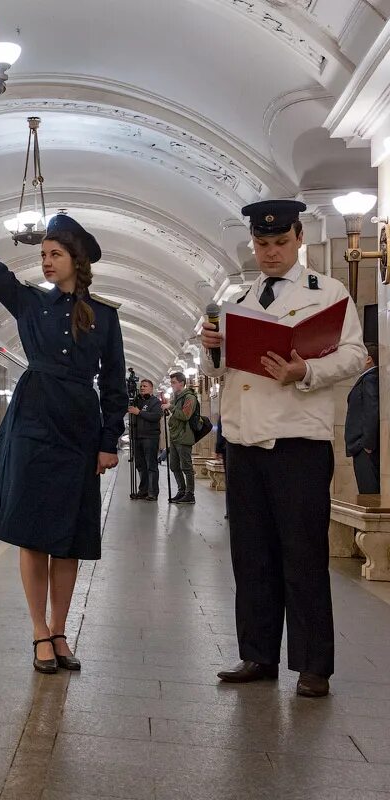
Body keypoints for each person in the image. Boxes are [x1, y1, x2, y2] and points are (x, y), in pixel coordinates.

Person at [0, 170, 126, 675]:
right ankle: (39, 631)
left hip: (79, 430)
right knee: (35, 534)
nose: (45, 260)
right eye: (43, 254)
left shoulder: (105, 317)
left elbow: (116, 387)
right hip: (34, 423)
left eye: (54, 253)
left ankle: (61, 631)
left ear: (75, 261)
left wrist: (109, 442)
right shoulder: (28, 303)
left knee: (69, 541)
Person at [201, 199, 366, 698]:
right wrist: (212, 349)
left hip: (298, 442)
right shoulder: (241, 300)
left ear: (299, 239)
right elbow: (219, 374)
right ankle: (258, 654)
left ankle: (314, 665)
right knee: (251, 555)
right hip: (246, 442)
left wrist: (306, 371)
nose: (270, 252)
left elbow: (356, 355)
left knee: (302, 555)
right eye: (262, 243)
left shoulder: (328, 292)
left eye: (279, 242)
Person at [344, 344, 380, 496]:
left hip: (364, 448)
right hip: (362, 446)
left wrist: (367, 444)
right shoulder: (368, 379)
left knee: (369, 494)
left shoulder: (370, 379)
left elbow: (372, 410)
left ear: (368, 359)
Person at [163, 372, 199, 505]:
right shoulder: (176, 397)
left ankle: (190, 494)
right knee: (174, 466)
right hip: (175, 436)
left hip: (184, 436)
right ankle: (181, 491)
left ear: (181, 383)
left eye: (173, 382)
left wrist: (171, 407)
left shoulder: (189, 397)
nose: (171, 385)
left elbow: (185, 416)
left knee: (186, 466)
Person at [127, 379, 162, 501]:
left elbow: (156, 416)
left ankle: (153, 492)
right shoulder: (137, 401)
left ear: (151, 388)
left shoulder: (155, 402)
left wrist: (139, 412)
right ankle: (143, 490)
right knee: (140, 465)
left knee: (151, 466)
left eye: (145, 386)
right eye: (141, 386)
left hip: (150, 437)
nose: (142, 388)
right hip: (137, 437)